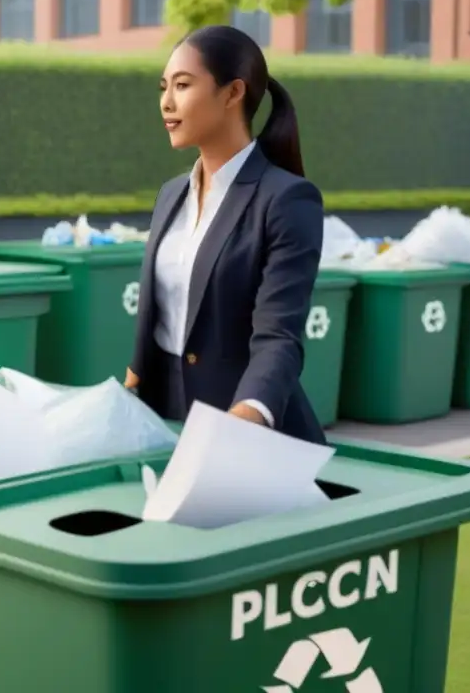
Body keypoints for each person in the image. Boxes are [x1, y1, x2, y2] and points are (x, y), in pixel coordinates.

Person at [125, 25, 326, 445]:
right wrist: (128, 394)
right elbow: (160, 317)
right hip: (163, 421)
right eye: (164, 87)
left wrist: (241, 423)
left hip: (246, 430)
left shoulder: (287, 199)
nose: (166, 102)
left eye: (182, 85)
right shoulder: (170, 195)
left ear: (233, 93)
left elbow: (279, 337)